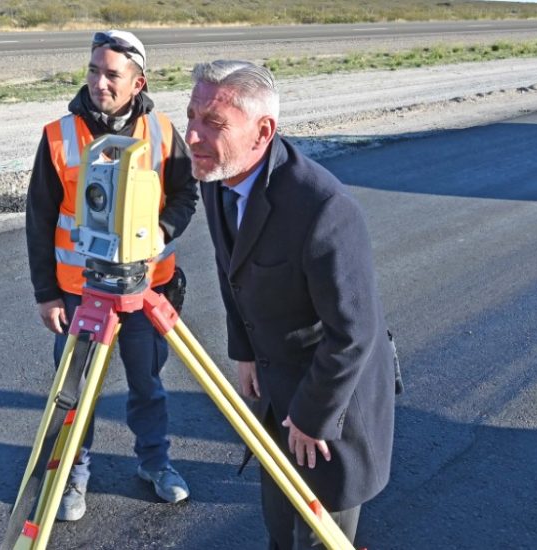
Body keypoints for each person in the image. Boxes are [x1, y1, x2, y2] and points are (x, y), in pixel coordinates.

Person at [185, 59, 397, 549]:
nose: (192, 136)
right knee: (280, 528)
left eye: (213, 123)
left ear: (263, 132)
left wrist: (312, 416)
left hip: (332, 402)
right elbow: (230, 269)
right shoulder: (217, 175)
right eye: (191, 115)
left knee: (322, 536)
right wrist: (243, 351)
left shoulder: (323, 209)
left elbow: (355, 331)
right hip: (274, 389)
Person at [24, 29, 198, 521]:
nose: (100, 82)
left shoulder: (163, 131)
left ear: (138, 81)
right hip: (79, 294)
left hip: (147, 290)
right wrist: (46, 293)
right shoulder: (59, 136)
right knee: (76, 390)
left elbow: (186, 195)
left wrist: (161, 232)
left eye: (112, 75)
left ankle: (156, 464)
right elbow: (39, 219)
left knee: (147, 382)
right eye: (94, 71)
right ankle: (72, 474)